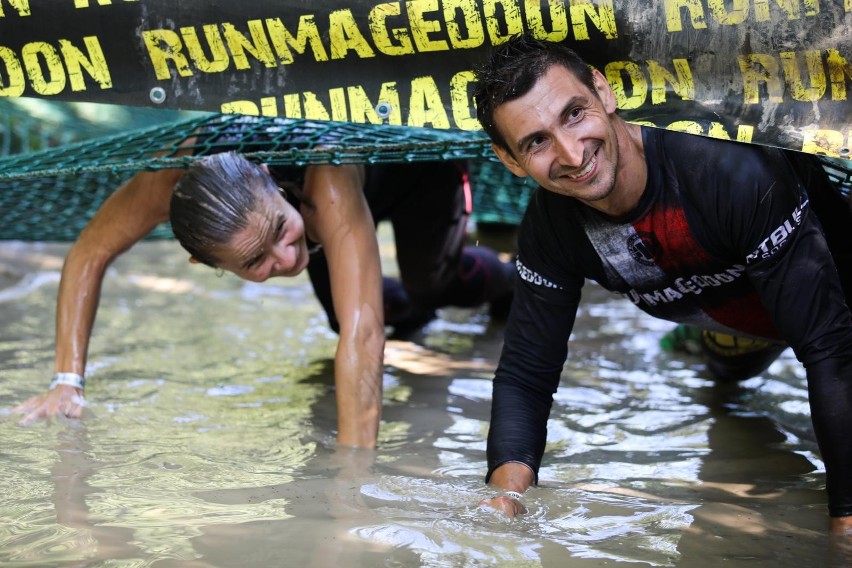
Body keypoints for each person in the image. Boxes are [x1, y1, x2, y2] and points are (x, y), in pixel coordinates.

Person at [471, 33, 852, 534]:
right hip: (737, 323)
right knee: (729, 393)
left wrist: (844, 525)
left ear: (604, 93)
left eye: (573, 114)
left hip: (833, 309)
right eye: (536, 142)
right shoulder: (551, 229)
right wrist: (504, 501)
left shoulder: (724, 167)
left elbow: (829, 346)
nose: (571, 153)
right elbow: (526, 371)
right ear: (510, 160)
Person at [11, 117, 516, 449]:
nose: (287, 258)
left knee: (430, 285)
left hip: (416, 170)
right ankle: (406, 310)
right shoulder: (169, 177)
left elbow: (363, 340)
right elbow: (89, 251)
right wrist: (66, 383)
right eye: (255, 261)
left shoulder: (326, 180)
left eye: (278, 231)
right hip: (317, 216)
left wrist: (351, 483)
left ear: (269, 180)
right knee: (352, 313)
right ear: (204, 264)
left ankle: (511, 280)